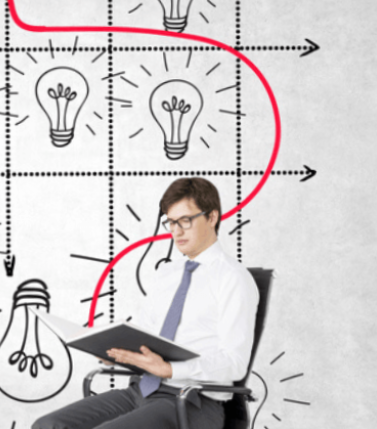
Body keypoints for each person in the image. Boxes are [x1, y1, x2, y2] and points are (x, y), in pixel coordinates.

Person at [32, 177, 260, 429]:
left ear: (212, 217)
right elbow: (146, 336)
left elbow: (234, 363)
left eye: (185, 220)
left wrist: (170, 370)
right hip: (140, 391)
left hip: (192, 401)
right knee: (48, 425)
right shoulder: (166, 273)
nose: (176, 231)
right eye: (170, 222)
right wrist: (115, 350)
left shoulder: (233, 278)